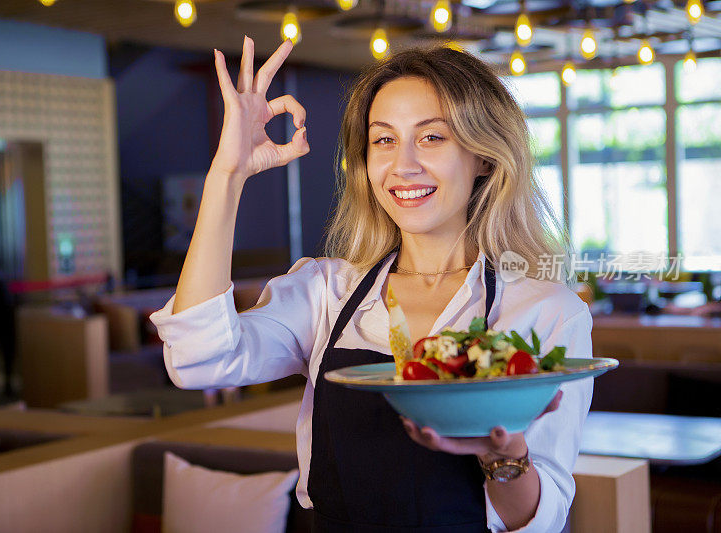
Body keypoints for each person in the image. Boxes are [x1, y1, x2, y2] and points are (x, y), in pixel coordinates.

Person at [150, 35, 593, 532]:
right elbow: (197, 360)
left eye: (432, 137)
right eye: (383, 139)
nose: (403, 165)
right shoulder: (327, 294)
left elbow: (540, 520)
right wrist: (227, 175)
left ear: (484, 157)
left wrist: (506, 454)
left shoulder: (544, 310)